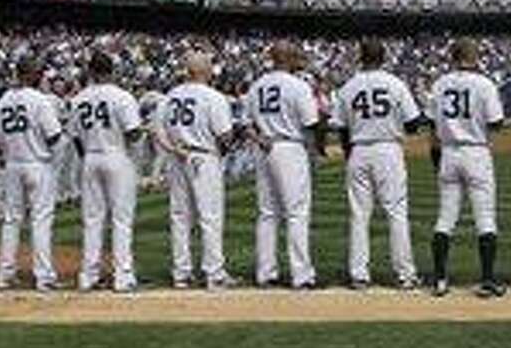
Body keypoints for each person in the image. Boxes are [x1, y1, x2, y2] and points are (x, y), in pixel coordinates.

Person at [331, 38, 421, 289]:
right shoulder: (395, 83)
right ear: (384, 58)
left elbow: (340, 128)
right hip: (388, 149)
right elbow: (414, 124)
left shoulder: (348, 87)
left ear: (360, 57)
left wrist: (351, 153)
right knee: (396, 213)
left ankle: (359, 274)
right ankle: (405, 274)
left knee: (359, 215)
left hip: (358, 150)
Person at [425, 37, 506, 296]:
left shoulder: (440, 84)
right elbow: (496, 122)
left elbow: (431, 128)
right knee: (485, 219)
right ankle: (487, 280)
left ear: (452, 57)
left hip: (449, 151)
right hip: (476, 151)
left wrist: (437, 161)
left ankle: (439, 280)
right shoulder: (484, 84)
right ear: (475, 57)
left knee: (445, 218)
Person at [241, 41, 324, 289]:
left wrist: (260, 139)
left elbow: (246, 124)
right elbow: (311, 123)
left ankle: (265, 273)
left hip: (264, 146)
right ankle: (302, 275)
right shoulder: (297, 85)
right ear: (288, 58)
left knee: (267, 213)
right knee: (296, 213)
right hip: (289, 146)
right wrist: (316, 150)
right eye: (296, 55)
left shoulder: (257, 85)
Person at [160, 48, 237, 290]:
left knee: (180, 217)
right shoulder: (213, 96)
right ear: (206, 70)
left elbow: (158, 130)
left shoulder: (170, 96)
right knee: (210, 216)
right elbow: (225, 136)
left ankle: (181, 273)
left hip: (177, 156)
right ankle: (214, 273)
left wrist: (176, 149)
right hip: (203, 157)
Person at [0, 54, 64, 291]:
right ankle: (44, 276)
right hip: (37, 163)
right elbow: (54, 137)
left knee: (11, 220)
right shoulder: (40, 100)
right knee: (40, 220)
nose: (42, 76)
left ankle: (4, 275)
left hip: (13, 164)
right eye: (39, 73)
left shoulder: (2, 101)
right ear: (32, 75)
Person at [69, 49, 142, 292]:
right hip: (116, 155)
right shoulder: (122, 96)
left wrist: (88, 156)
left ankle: (88, 276)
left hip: (90, 157)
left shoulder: (78, 98)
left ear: (90, 71)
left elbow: (75, 137)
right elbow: (133, 133)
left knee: (92, 220)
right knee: (121, 220)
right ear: (112, 71)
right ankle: (123, 275)